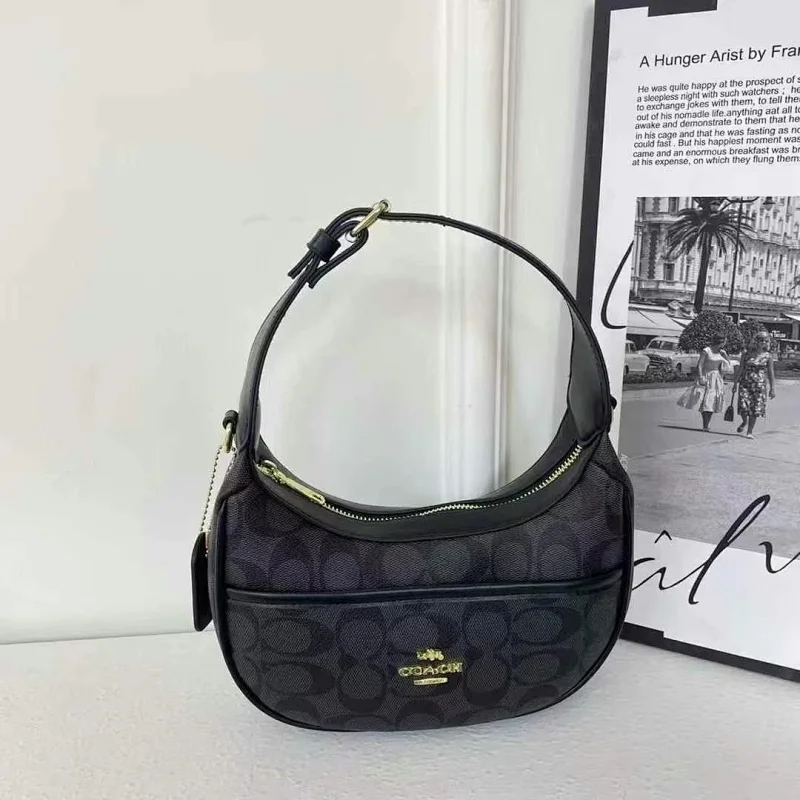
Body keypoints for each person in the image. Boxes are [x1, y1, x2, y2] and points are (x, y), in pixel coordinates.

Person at [676, 333, 731, 431]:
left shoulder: (721, 352)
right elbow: (700, 365)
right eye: (725, 341)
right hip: (706, 376)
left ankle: (706, 424)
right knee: (705, 400)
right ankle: (705, 425)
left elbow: (726, 365)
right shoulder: (706, 351)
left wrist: (725, 356)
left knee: (712, 401)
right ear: (721, 342)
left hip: (716, 378)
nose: (725, 344)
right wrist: (701, 377)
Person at [733, 331, 776, 439]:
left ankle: (749, 432)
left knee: (755, 408)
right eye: (761, 340)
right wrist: (735, 383)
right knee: (743, 406)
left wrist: (772, 388)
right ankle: (744, 421)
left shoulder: (768, 356)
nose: (764, 342)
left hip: (760, 386)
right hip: (745, 383)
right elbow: (741, 368)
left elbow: (771, 373)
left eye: (766, 340)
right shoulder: (746, 353)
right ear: (756, 341)